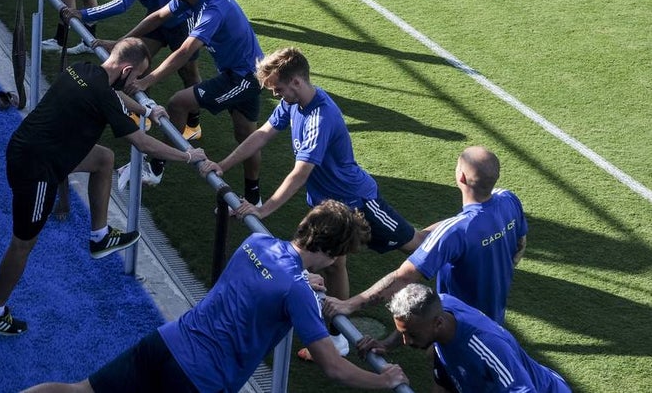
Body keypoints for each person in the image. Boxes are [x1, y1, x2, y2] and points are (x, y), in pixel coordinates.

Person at [23, 200, 408, 392]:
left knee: (79, 391)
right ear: (335, 253)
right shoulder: (298, 291)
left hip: (166, 342)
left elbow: (269, 281)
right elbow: (334, 367)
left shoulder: (257, 243)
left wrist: (303, 279)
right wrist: (384, 380)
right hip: (199, 379)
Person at [0, 38, 209, 337]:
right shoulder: (102, 93)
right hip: (38, 169)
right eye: (136, 76)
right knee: (22, 244)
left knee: (103, 158)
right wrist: (187, 155)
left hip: (31, 149)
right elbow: (140, 142)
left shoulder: (84, 70)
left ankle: (99, 236)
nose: (137, 83)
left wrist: (147, 111)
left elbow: (115, 97)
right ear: (125, 69)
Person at [199, 47, 424, 305]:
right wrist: (223, 165)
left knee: (417, 244)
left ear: (296, 81)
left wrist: (263, 210)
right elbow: (262, 135)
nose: (275, 94)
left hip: (358, 202)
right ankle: (337, 333)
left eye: (278, 88)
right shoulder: (291, 103)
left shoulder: (320, 116)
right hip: (327, 203)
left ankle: (456, 239)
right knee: (333, 264)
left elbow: (300, 174)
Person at [323, 146, 527, 326]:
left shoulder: (454, 232)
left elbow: (403, 277)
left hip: (458, 325)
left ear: (461, 177)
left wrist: (349, 305)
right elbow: (519, 245)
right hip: (494, 318)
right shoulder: (509, 200)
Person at [124, 0, 263, 197]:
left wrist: (148, 80)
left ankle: (156, 168)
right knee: (245, 136)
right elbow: (158, 16)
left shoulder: (212, 8)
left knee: (178, 103)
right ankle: (254, 197)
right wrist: (122, 40)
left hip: (243, 77)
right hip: (243, 70)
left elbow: (186, 51)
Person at [58, 0, 203, 142]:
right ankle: (143, 112)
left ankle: (193, 124)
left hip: (181, 19)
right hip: (158, 15)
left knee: (188, 72)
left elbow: (122, 4)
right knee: (136, 60)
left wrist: (83, 14)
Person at [367, 284, 570, 393]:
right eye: (403, 333)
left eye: (412, 335)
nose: (406, 342)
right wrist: (386, 344)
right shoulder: (440, 306)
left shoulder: (486, 347)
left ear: (437, 323)